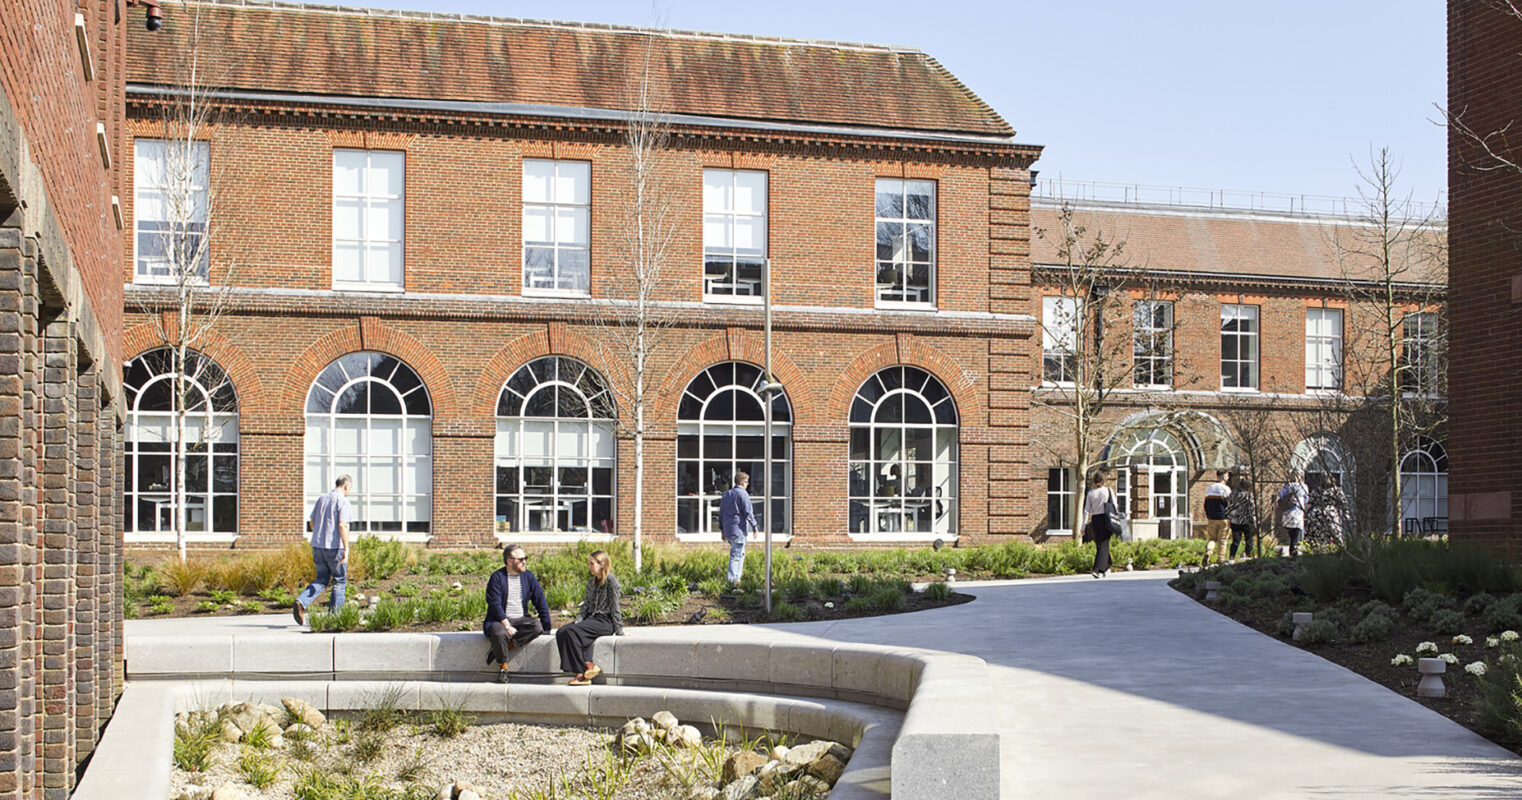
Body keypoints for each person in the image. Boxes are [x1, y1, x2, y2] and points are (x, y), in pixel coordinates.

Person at [483, 544, 553, 683]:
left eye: (525, 558)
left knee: (536, 627)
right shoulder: (497, 577)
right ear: (510, 561)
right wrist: (507, 625)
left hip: (521, 619)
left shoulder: (528, 576)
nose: (524, 562)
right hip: (499, 620)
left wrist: (547, 626)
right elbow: (495, 605)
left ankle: (500, 649)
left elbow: (540, 600)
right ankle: (503, 668)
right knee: (499, 633)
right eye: (521, 559)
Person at [294, 474, 354, 625]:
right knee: (339, 581)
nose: (349, 491)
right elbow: (342, 525)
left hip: (318, 546)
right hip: (334, 547)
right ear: (346, 486)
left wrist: (318, 535)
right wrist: (346, 549)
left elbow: (312, 521)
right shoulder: (343, 501)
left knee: (321, 579)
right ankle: (334, 618)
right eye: (349, 488)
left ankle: (301, 602)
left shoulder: (322, 499)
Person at [559, 550, 622, 686]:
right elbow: (585, 605)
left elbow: (615, 607)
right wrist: (578, 621)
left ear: (602, 564)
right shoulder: (591, 583)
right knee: (562, 631)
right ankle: (588, 665)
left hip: (605, 621)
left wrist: (619, 631)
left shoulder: (611, 581)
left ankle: (581, 673)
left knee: (571, 632)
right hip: (591, 619)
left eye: (591, 564)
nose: (589, 567)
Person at [719, 471, 758, 585]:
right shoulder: (743, 494)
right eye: (746, 482)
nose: (747, 484)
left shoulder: (726, 494)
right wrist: (755, 527)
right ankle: (732, 581)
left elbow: (721, 513)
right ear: (742, 482)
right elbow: (748, 512)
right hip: (738, 529)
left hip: (728, 529)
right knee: (736, 555)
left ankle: (737, 579)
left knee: (740, 553)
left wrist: (722, 530)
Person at [1081, 471, 1118, 578]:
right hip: (1106, 518)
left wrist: (1083, 526)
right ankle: (1098, 569)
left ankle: (1107, 566)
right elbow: (1115, 505)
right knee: (1104, 544)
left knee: (1100, 544)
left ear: (1093, 481)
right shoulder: (1108, 491)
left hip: (1095, 519)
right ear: (1103, 480)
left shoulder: (1091, 494)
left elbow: (1086, 511)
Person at [1305, 476, 1348, 548]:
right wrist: (1346, 514)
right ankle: (1340, 548)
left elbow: (1309, 503)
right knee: (1335, 533)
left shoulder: (1317, 490)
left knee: (1314, 534)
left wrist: (1306, 514)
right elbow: (1344, 503)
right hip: (1329, 513)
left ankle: (1314, 548)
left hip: (1317, 514)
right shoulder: (1336, 490)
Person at [1276, 471, 1310, 558]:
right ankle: (1293, 552)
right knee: (1296, 533)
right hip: (1298, 512)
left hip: (1288, 512)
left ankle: (1292, 550)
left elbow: (1281, 497)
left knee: (1291, 534)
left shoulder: (1287, 486)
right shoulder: (1303, 486)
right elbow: (1306, 499)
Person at [1202, 469, 1232, 567]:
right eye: (1227, 475)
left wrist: (1208, 515)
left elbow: (1206, 504)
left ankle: (1208, 553)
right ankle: (1221, 560)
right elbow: (1229, 505)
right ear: (1224, 476)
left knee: (1212, 538)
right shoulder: (1226, 489)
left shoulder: (1209, 488)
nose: (1228, 477)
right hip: (1223, 518)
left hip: (1211, 518)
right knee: (1223, 539)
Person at [1226, 473, 1258, 561]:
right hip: (1246, 519)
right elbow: (1252, 508)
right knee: (1249, 538)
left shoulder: (1233, 494)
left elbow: (1228, 506)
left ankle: (1231, 556)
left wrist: (1229, 517)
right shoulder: (1248, 496)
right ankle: (1248, 555)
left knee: (1236, 540)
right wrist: (1254, 519)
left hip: (1235, 520)